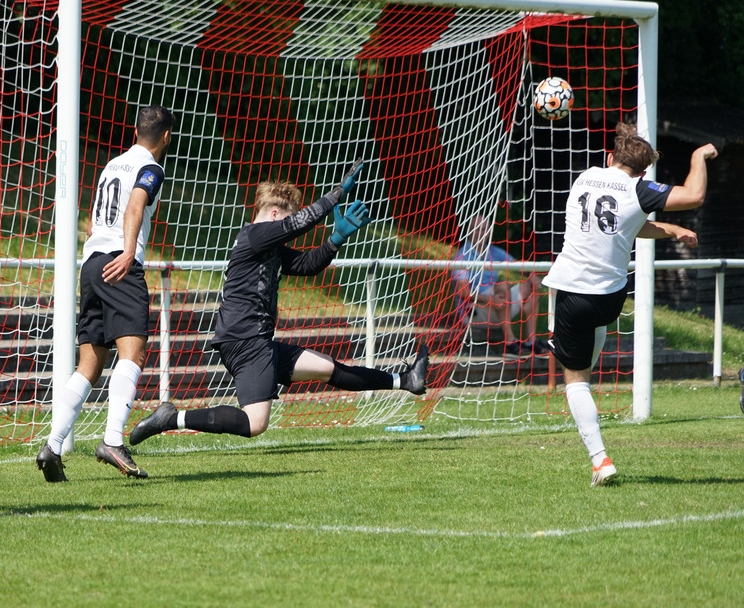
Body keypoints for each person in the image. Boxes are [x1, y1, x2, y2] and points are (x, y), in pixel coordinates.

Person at [127, 161, 429, 449]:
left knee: (327, 367)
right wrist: (336, 194)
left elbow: (308, 265)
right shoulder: (255, 235)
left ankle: (406, 380)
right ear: (274, 214)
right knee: (255, 423)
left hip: (257, 340)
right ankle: (171, 418)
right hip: (245, 340)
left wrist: (335, 240)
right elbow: (300, 223)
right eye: (286, 220)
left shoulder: (267, 245)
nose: (287, 228)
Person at [542, 122, 718, 487]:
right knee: (588, 354)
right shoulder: (638, 190)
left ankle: (600, 460)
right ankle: (586, 372)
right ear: (643, 172)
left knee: (576, 379)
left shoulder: (585, 178)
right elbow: (690, 197)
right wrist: (698, 159)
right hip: (611, 299)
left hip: (574, 293)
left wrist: (696, 158)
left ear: (610, 157)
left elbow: (629, 219)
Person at [36, 105, 175, 482]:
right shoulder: (151, 168)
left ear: (135, 131)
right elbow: (134, 207)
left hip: (92, 263)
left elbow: (94, 220)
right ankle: (113, 439)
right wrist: (129, 252)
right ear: (166, 137)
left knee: (90, 364)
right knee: (133, 353)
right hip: (119, 263)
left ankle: (53, 445)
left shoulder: (112, 165)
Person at [452, 214, 547, 355]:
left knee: (529, 285)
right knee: (502, 287)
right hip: (473, 311)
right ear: (469, 232)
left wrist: (531, 274)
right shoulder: (462, 256)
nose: (480, 233)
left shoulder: (493, 251)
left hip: (498, 305)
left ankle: (531, 341)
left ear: (489, 232)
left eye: (484, 229)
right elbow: (463, 292)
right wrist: (491, 299)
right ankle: (509, 342)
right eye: (476, 229)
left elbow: (517, 265)